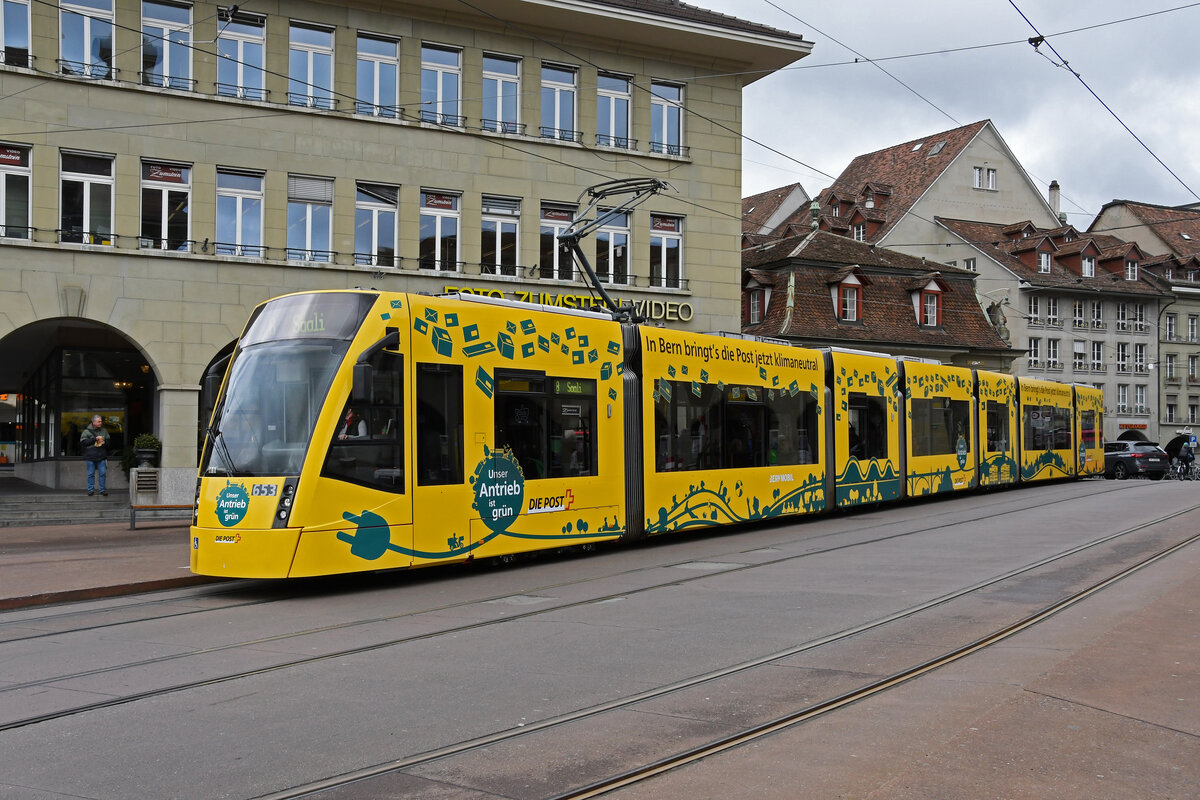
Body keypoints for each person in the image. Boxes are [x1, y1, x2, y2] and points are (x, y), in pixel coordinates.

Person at [79, 415, 110, 496]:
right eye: (99, 421)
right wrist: (95, 439)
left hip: (102, 455)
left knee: (103, 474)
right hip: (90, 456)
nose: (101, 423)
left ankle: (102, 490)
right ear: (93, 422)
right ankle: (90, 490)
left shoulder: (104, 431)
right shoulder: (86, 431)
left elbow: (109, 442)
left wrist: (105, 442)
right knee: (90, 474)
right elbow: (83, 443)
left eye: (101, 421)